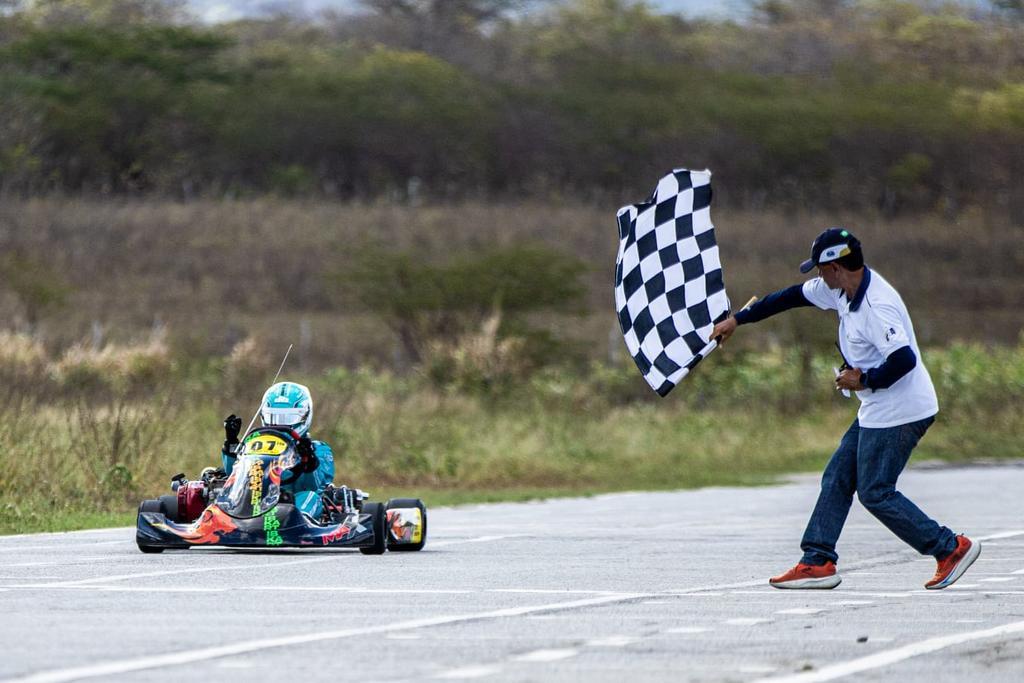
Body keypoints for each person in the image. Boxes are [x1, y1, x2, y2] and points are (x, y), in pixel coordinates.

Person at [711, 227, 980, 590]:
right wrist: (738, 320)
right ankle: (817, 561)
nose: (818, 276)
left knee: (875, 492)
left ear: (836, 267)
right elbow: (789, 297)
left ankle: (950, 548)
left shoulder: (876, 306)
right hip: (878, 407)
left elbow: (904, 360)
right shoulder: (840, 289)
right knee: (837, 476)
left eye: (820, 269)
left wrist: (863, 380)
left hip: (901, 410)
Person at [221, 381, 335, 519]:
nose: (280, 424)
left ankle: (299, 523)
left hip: (293, 505)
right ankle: (218, 521)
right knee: (220, 495)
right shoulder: (253, 444)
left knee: (310, 497)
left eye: (288, 418)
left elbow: (314, 486)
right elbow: (234, 476)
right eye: (274, 416)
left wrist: (308, 460)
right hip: (253, 502)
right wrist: (232, 443)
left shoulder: (319, 449)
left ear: (305, 416)